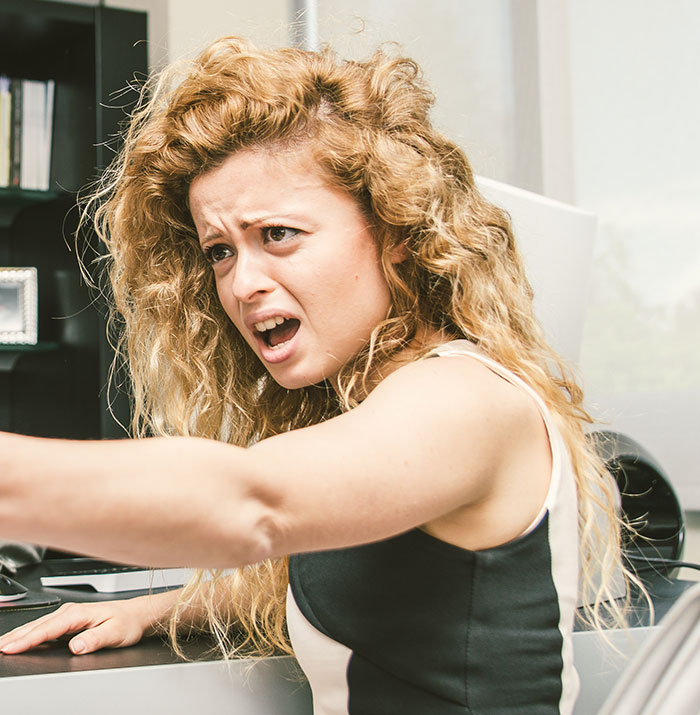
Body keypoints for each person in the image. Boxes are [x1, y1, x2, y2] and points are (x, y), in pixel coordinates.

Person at [0, 36, 630, 714]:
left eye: (278, 235)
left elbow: (252, 506)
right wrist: (168, 607)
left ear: (394, 231)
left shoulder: (464, 397)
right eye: (219, 251)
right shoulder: (370, 407)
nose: (241, 283)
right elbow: (343, 569)